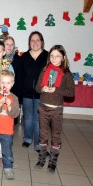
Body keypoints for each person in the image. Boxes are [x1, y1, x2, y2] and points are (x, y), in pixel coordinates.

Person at [34, 45, 75, 173]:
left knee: (56, 136)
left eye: (57, 56)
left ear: (63, 57)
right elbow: (37, 88)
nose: (54, 58)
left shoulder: (67, 74)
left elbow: (71, 93)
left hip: (56, 109)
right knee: (43, 135)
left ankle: (53, 162)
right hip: (43, 107)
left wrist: (56, 90)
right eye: (52, 56)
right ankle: (41, 159)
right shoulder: (45, 70)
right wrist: (43, 88)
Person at [19, 31, 48, 152]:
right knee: (28, 118)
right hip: (26, 93)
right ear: (29, 42)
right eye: (32, 40)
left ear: (41, 42)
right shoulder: (24, 56)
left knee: (38, 119)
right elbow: (20, 75)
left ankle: (38, 144)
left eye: (37, 40)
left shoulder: (47, 56)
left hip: (41, 93)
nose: (35, 42)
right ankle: (27, 139)